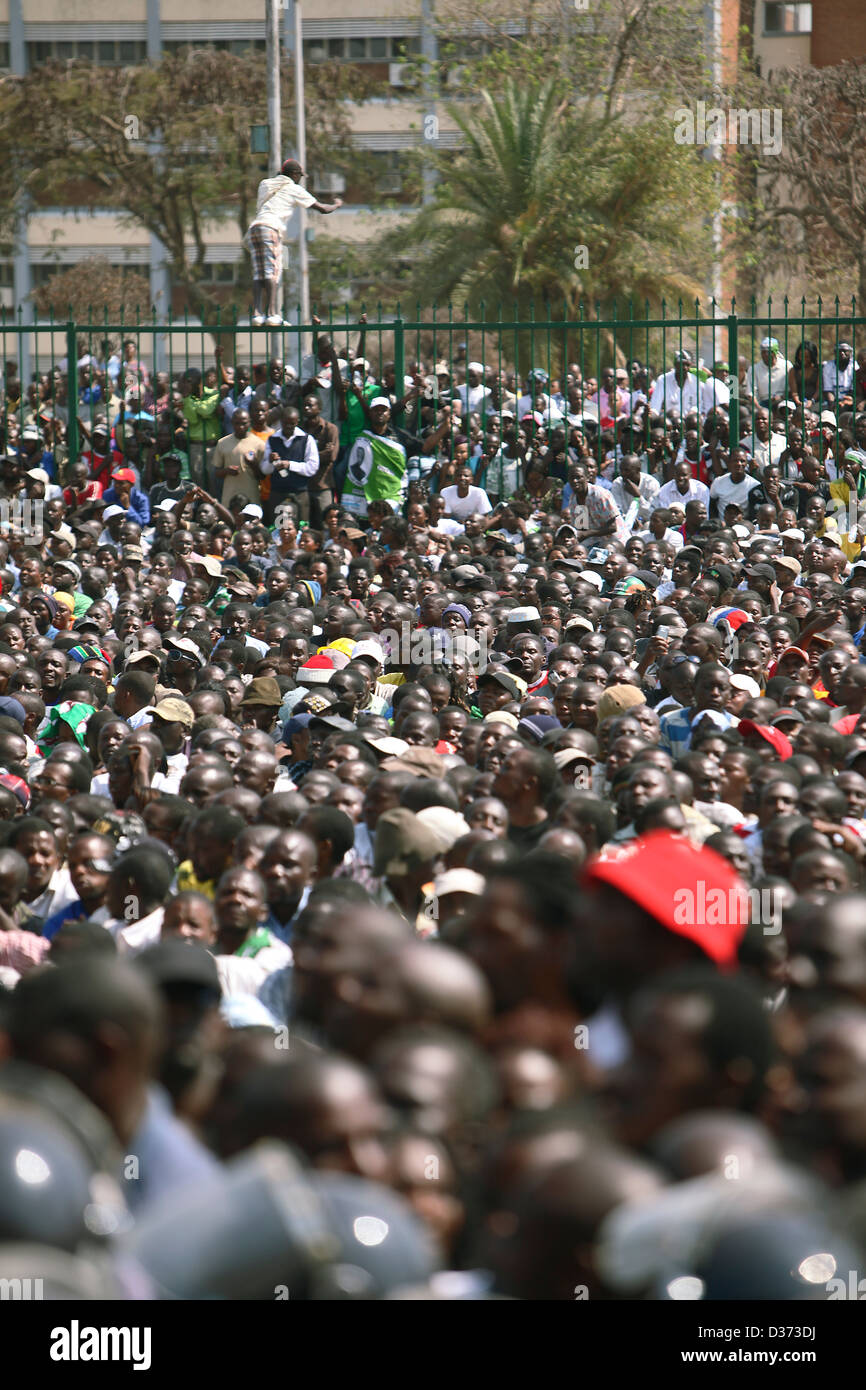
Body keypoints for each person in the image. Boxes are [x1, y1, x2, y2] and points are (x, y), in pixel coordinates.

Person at [246, 158, 344, 328]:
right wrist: (336, 204)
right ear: (294, 174)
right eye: (299, 175)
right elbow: (322, 209)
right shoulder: (294, 189)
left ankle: (256, 314)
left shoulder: (265, 184)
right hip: (272, 229)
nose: (300, 179)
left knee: (259, 273)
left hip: (255, 229)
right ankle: (271, 315)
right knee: (273, 271)